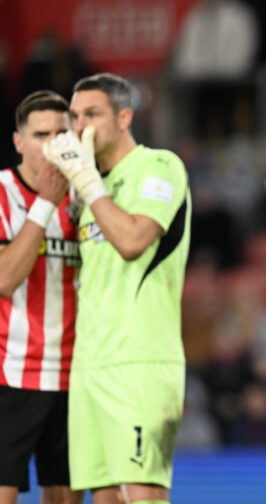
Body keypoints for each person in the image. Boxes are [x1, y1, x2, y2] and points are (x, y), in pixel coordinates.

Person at [42, 73, 191, 504]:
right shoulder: (89, 189)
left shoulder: (159, 166)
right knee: (106, 496)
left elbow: (130, 241)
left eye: (92, 114)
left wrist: (87, 181)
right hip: (89, 363)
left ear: (124, 117)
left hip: (140, 361)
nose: (79, 127)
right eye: (73, 117)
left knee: (142, 495)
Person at [0, 90, 82, 504]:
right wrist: (45, 205)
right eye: (40, 134)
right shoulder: (0, 194)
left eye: (61, 133)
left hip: (75, 375)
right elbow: (3, 278)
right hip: (9, 373)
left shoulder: (87, 199)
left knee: (66, 497)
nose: (51, 145)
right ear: (18, 142)